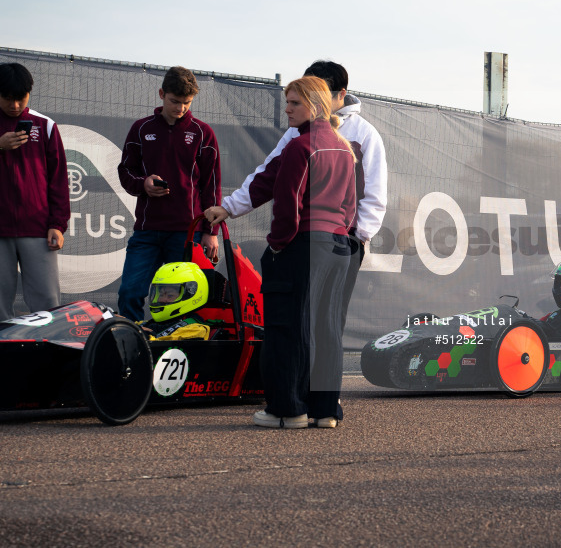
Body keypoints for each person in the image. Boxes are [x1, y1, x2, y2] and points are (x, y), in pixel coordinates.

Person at [205, 76, 357, 430]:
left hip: (302, 245)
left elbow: (286, 205)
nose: (287, 109)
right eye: (287, 102)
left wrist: (277, 245)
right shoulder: (343, 147)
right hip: (338, 246)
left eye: (295, 104)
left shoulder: (300, 146)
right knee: (326, 329)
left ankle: (288, 410)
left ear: (316, 106)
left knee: (287, 327)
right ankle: (324, 411)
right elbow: (350, 207)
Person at [220, 60, 386, 322]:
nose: (311, 97)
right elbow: (269, 173)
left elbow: (374, 194)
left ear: (340, 94)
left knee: (329, 321)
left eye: (319, 90)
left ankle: (318, 365)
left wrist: (358, 238)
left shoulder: (365, 134)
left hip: (343, 242)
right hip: (304, 241)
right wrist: (230, 206)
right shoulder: (297, 133)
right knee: (302, 321)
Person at [116, 66, 221, 323]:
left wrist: (211, 232)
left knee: (179, 301)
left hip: (187, 234)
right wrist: (144, 184)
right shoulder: (141, 129)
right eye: (175, 101)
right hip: (147, 231)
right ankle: (129, 345)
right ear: (162, 94)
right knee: (129, 292)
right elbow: (125, 173)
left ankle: (173, 351)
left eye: (187, 103)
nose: (181, 108)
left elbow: (212, 186)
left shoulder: (203, 133)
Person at [0, 63, 70, 319]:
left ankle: (50, 355)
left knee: (47, 305)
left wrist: (57, 224)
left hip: (38, 230)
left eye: (21, 98)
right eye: (8, 98)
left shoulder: (46, 126)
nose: (15, 105)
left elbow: (59, 181)